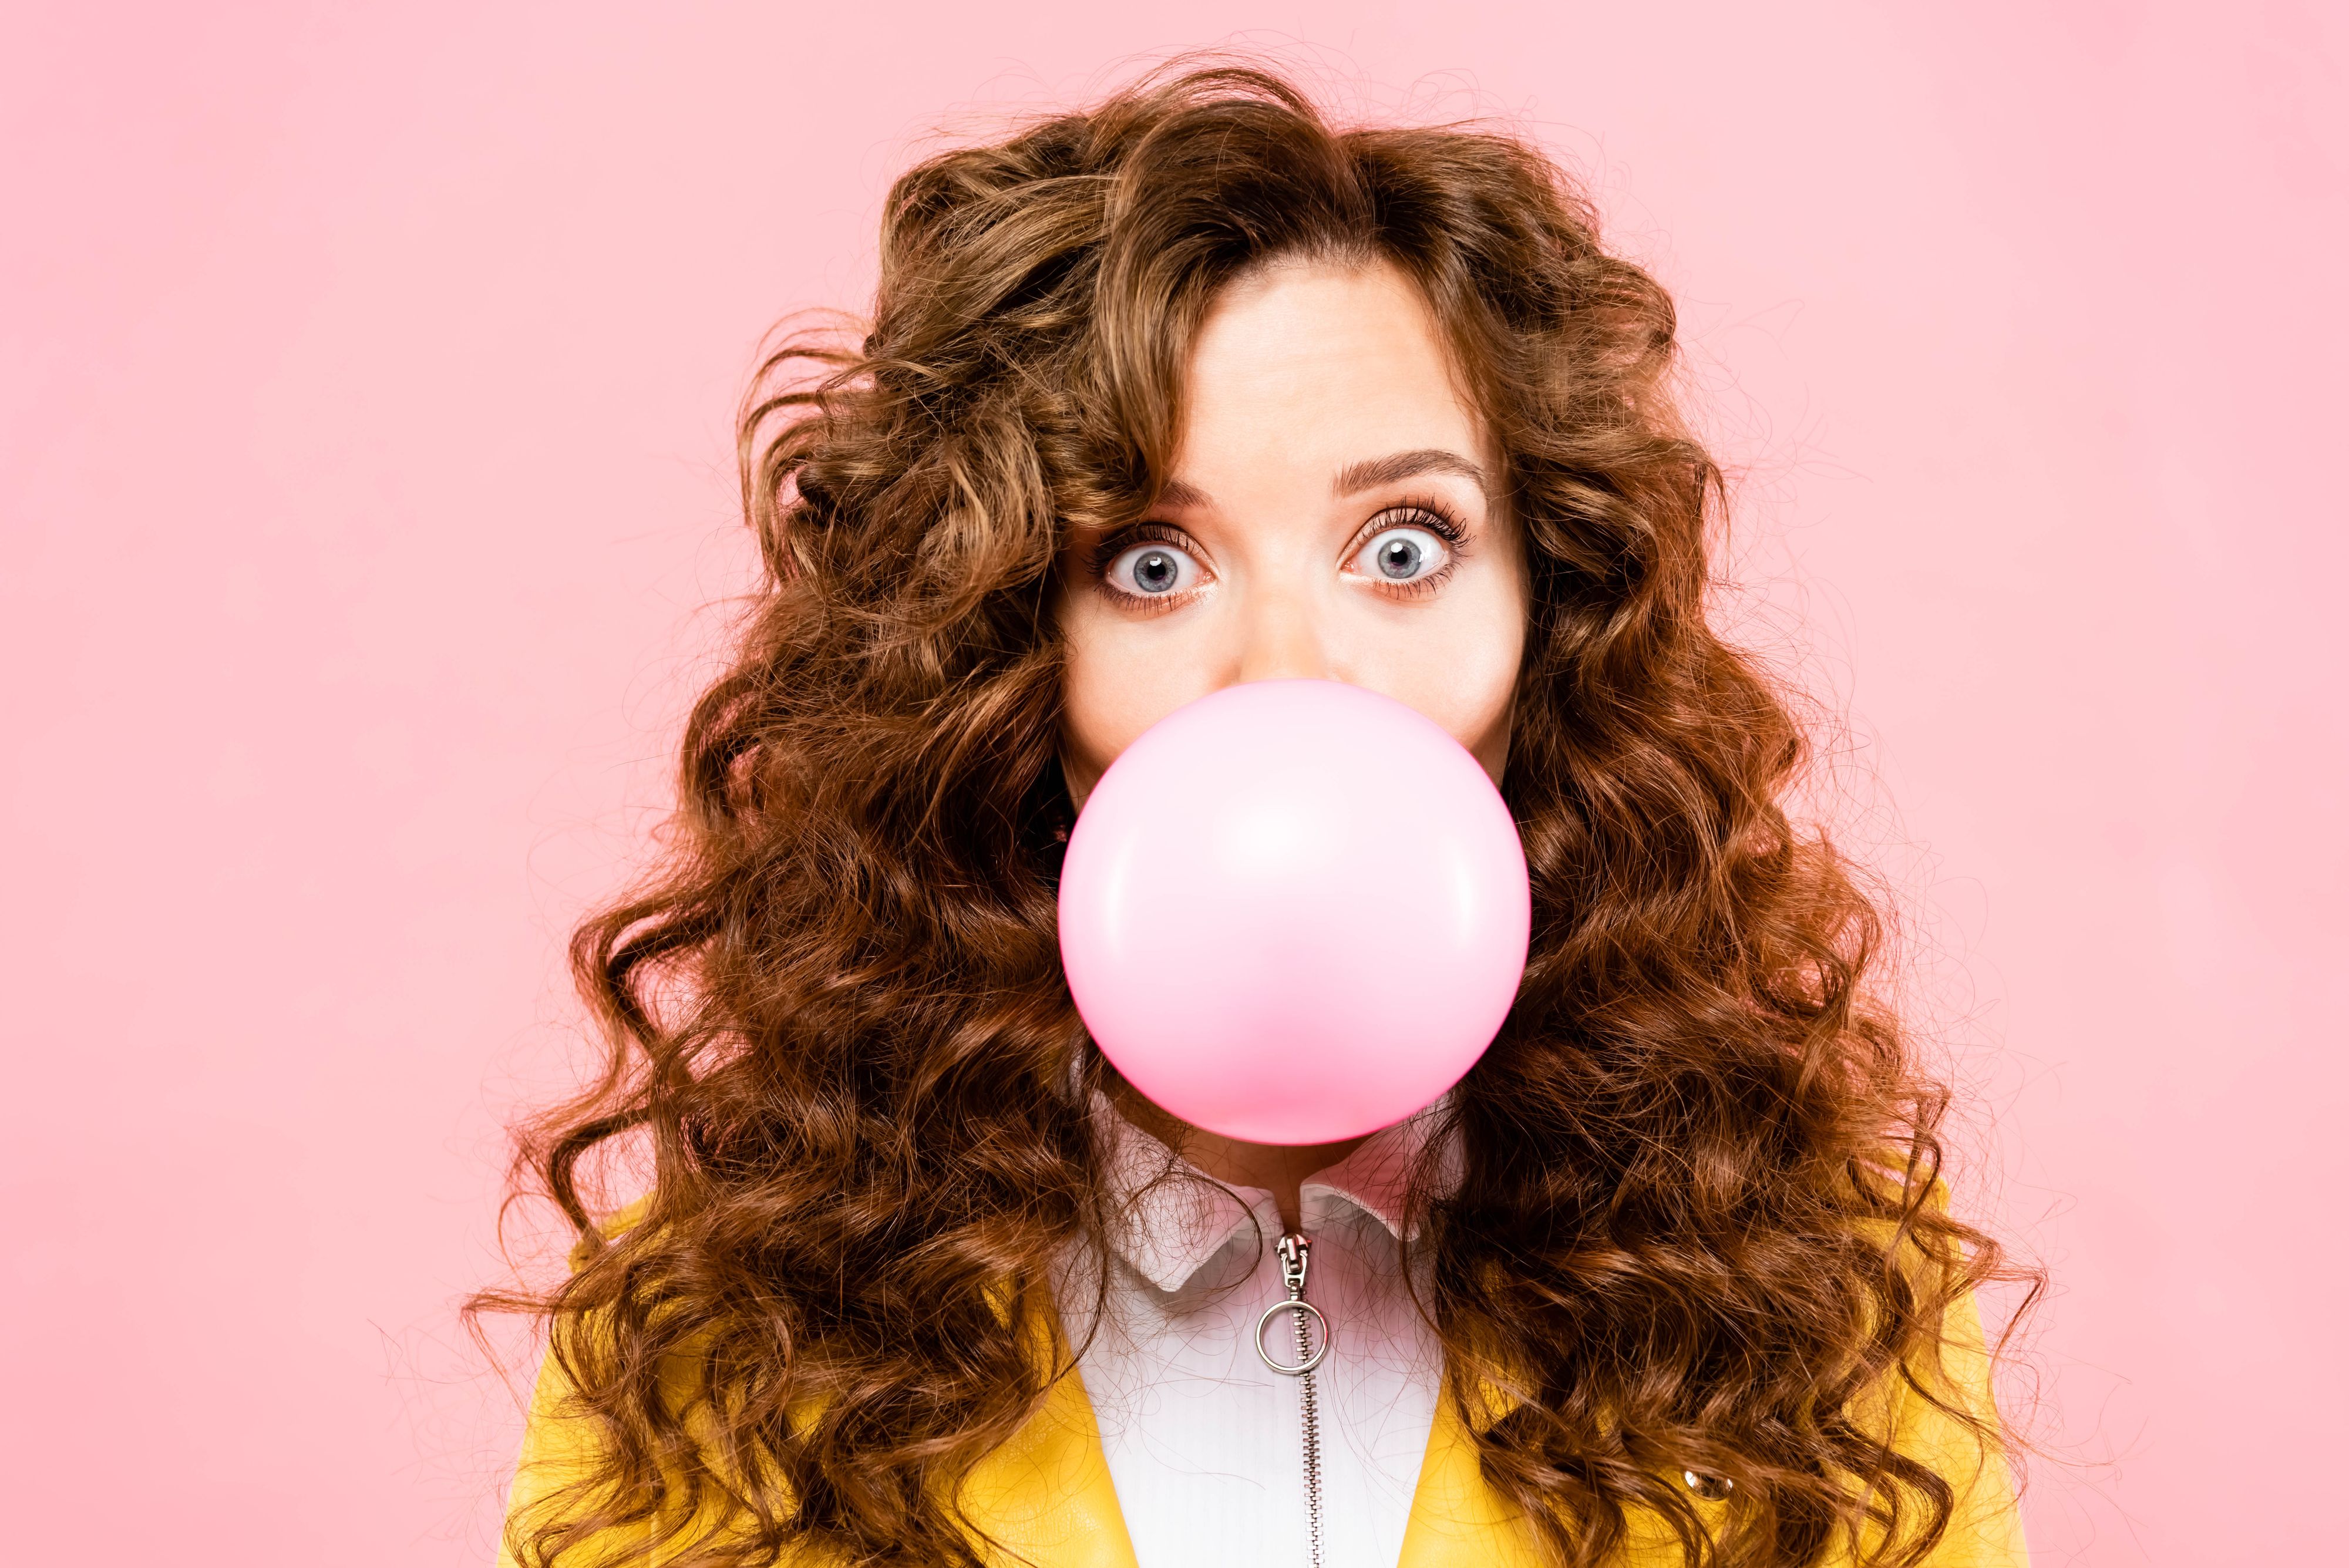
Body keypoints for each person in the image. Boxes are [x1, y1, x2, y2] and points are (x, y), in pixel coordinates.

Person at [483, 62, 2034, 1568]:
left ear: (1549, 614)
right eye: (1152, 562)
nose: (1292, 674)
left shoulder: (1815, 1296)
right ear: (1005, 641)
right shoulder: (721, 1336)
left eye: (1407, 546)